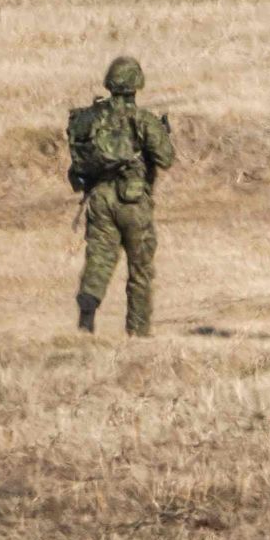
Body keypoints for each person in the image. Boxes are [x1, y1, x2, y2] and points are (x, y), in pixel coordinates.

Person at [66, 56, 176, 336]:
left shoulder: (92, 119)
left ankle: (87, 316)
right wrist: (162, 136)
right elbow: (165, 159)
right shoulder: (143, 120)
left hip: (100, 198)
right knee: (139, 269)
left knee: (100, 257)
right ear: (136, 85)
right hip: (133, 200)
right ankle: (138, 334)